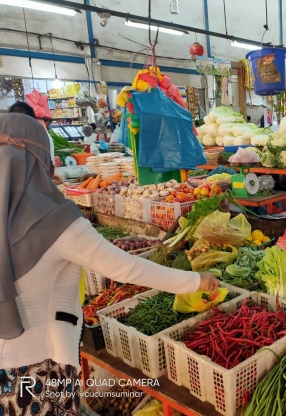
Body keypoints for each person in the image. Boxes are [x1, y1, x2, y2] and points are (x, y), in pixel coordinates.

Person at [0, 113, 219, 413]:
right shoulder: (56, 222)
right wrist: (195, 281)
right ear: (41, 159)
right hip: (39, 369)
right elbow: (126, 268)